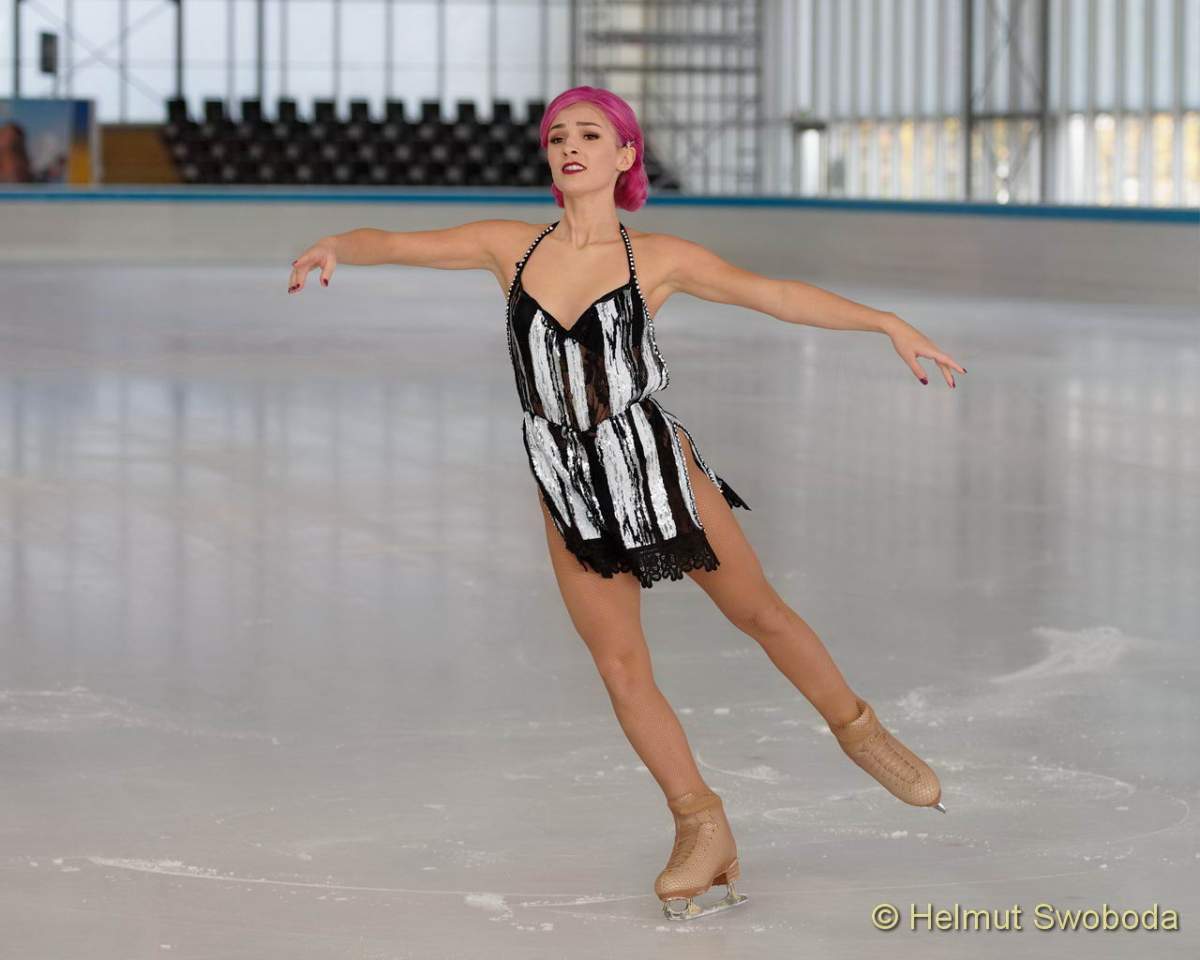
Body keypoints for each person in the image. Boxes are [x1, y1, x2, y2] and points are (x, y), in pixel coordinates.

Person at [287, 85, 966, 921]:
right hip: (566, 479)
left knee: (759, 613)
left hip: (651, 461)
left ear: (625, 156)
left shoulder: (658, 258)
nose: (569, 146)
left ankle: (860, 731)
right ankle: (700, 823)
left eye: (589, 134)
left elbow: (776, 294)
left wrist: (885, 321)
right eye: (557, 136)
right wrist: (337, 245)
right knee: (619, 665)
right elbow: (394, 242)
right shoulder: (509, 249)